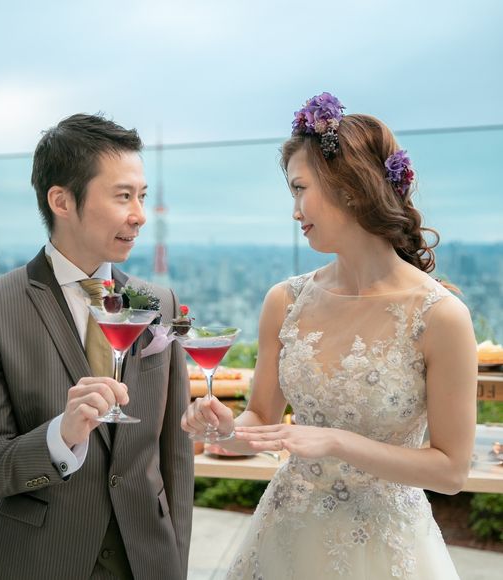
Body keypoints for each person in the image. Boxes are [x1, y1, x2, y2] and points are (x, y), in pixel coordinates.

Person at [182, 93, 477, 579]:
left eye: (300, 189)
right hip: (286, 536)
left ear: (351, 187)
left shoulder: (440, 316)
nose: (295, 211)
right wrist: (224, 429)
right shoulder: (286, 300)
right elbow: (262, 421)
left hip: (387, 548)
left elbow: (451, 471)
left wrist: (337, 442)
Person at [0, 114, 193, 580]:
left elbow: (175, 459)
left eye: (141, 196)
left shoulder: (158, 304)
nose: (139, 215)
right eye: (123, 196)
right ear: (61, 200)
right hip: (37, 562)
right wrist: (61, 435)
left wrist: (173, 562)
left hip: (146, 561)